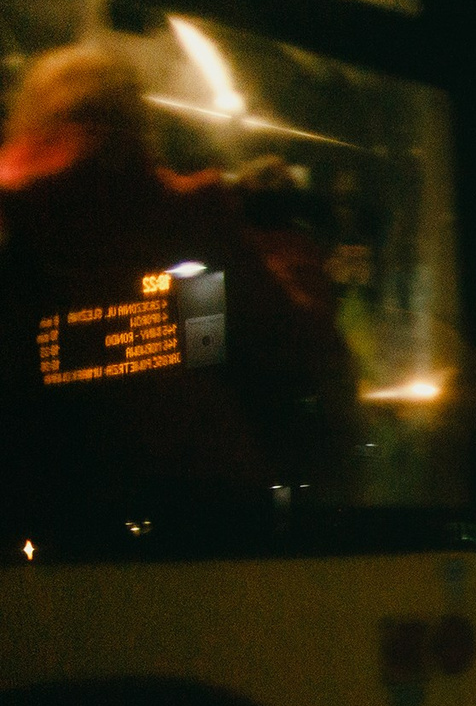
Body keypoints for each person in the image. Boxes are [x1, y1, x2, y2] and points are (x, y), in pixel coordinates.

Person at [0, 44, 352, 542]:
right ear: (136, 121)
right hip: (209, 496)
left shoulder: (17, 231)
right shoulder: (189, 218)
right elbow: (283, 345)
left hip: (51, 509)